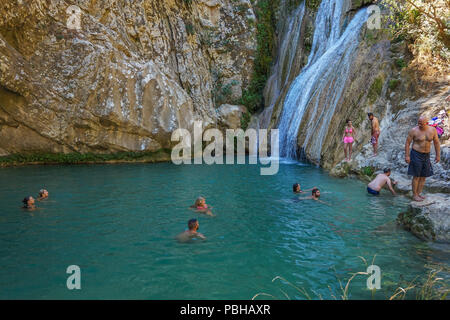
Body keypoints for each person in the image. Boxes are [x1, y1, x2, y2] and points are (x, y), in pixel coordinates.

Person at [405, 116, 440, 202]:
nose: (419, 124)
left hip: (426, 155)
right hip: (416, 154)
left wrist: (438, 155)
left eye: (421, 123)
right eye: (418, 122)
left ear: (427, 123)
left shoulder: (432, 130)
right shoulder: (414, 130)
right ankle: (415, 195)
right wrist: (407, 156)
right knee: (416, 176)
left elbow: (436, 143)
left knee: (423, 176)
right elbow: (407, 143)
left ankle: (419, 193)